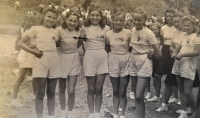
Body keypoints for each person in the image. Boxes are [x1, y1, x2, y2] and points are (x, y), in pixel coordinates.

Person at [19, 7, 61, 118]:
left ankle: (51, 116)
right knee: (40, 93)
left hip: (54, 61)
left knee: (51, 92)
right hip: (40, 60)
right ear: (43, 16)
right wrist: (33, 52)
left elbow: (58, 45)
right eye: (49, 17)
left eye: (54, 18)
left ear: (57, 19)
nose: (51, 19)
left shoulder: (57, 31)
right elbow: (21, 43)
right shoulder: (35, 28)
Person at [129, 7, 162, 118]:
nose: (137, 22)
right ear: (132, 19)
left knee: (138, 95)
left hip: (144, 63)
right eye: (135, 19)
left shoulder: (149, 33)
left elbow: (158, 54)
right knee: (136, 96)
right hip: (133, 61)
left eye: (139, 20)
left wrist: (151, 53)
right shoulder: (132, 30)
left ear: (144, 20)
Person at [78, 5, 110, 118]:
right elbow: (79, 43)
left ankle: (97, 112)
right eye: (93, 15)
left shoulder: (106, 28)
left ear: (101, 16)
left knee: (98, 88)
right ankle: (91, 113)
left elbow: (109, 45)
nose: (95, 17)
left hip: (102, 57)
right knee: (91, 88)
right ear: (89, 15)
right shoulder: (84, 28)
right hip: (89, 57)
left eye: (97, 15)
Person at [11, 11, 42, 107]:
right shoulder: (29, 30)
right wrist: (36, 48)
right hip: (26, 55)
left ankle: (35, 94)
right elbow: (26, 45)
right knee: (20, 77)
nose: (40, 20)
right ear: (33, 20)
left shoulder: (29, 28)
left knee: (34, 76)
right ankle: (14, 99)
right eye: (38, 19)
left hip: (31, 55)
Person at [171, 15, 200, 118]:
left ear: (193, 25)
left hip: (189, 63)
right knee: (181, 88)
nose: (186, 27)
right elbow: (178, 47)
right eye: (184, 25)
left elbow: (197, 52)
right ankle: (183, 111)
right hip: (179, 61)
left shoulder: (196, 37)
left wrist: (183, 55)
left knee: (188, 91)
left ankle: (194, 111)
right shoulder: (183, 35)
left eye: (188, 25)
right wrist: (175, 53)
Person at [105, 10, 131, 118]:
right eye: (116, 20)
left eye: (121, 20)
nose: (118, 22)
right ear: (112, 20)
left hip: (125, 61)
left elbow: (132, 47)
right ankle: (115, 113)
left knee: (123, 91)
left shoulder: (128, 33)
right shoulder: (108, 34)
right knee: (115, 90)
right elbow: (107, 48)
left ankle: (122, 114)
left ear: (124, 21)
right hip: (113, 61)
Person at [57, 11, 82, 118]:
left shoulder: (79, 31)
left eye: (75, 21)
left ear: (78, 22)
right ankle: (63, 110)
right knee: (62, 88)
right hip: (62, 59)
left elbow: (79, 44)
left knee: (71, 90)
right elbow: (56, 44)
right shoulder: (59, 30)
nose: (72, 23)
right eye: (70, 20)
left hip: (74, 59)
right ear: (66, 20)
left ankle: (70, 111)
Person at [155, 9, 180, 112]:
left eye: (171, 16)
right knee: (159, 74)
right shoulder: (164, 28)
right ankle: (159, 96)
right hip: (166, 50)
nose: (169, 18)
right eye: (167, 16)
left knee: (174, 76)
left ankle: (176, 97)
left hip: (176, 51)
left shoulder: (178, 29)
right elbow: (161, 40)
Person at [146, 22, 164, 101]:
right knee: (149, 75)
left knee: (157, 76)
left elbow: (161, 48)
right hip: (150, 57)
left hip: (158, 58)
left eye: (156, 29)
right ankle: (148, 92)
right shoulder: (149, 37)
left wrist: (157, 53)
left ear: (159, 30)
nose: (154, 31)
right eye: (152, 29)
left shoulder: (161, 38)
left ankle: (157, 93)